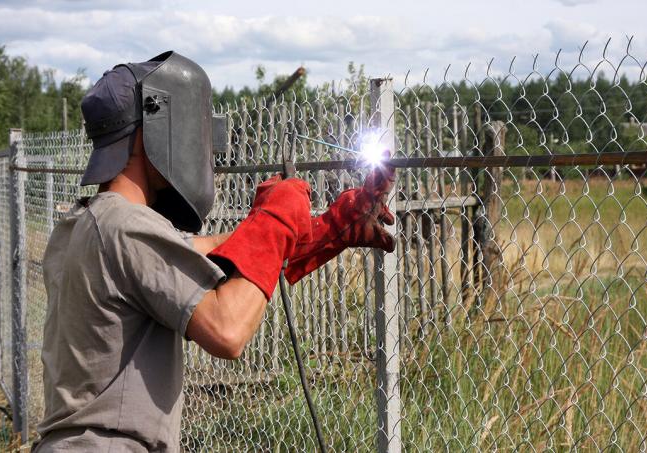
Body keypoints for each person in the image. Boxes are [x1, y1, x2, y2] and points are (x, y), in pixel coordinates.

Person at [33, 51, 395, 452]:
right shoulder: (124, 227)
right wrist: (276, 217)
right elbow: (227, 330)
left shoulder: (84, 226)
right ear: (145, 132)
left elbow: (221, 257)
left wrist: (329, 227)